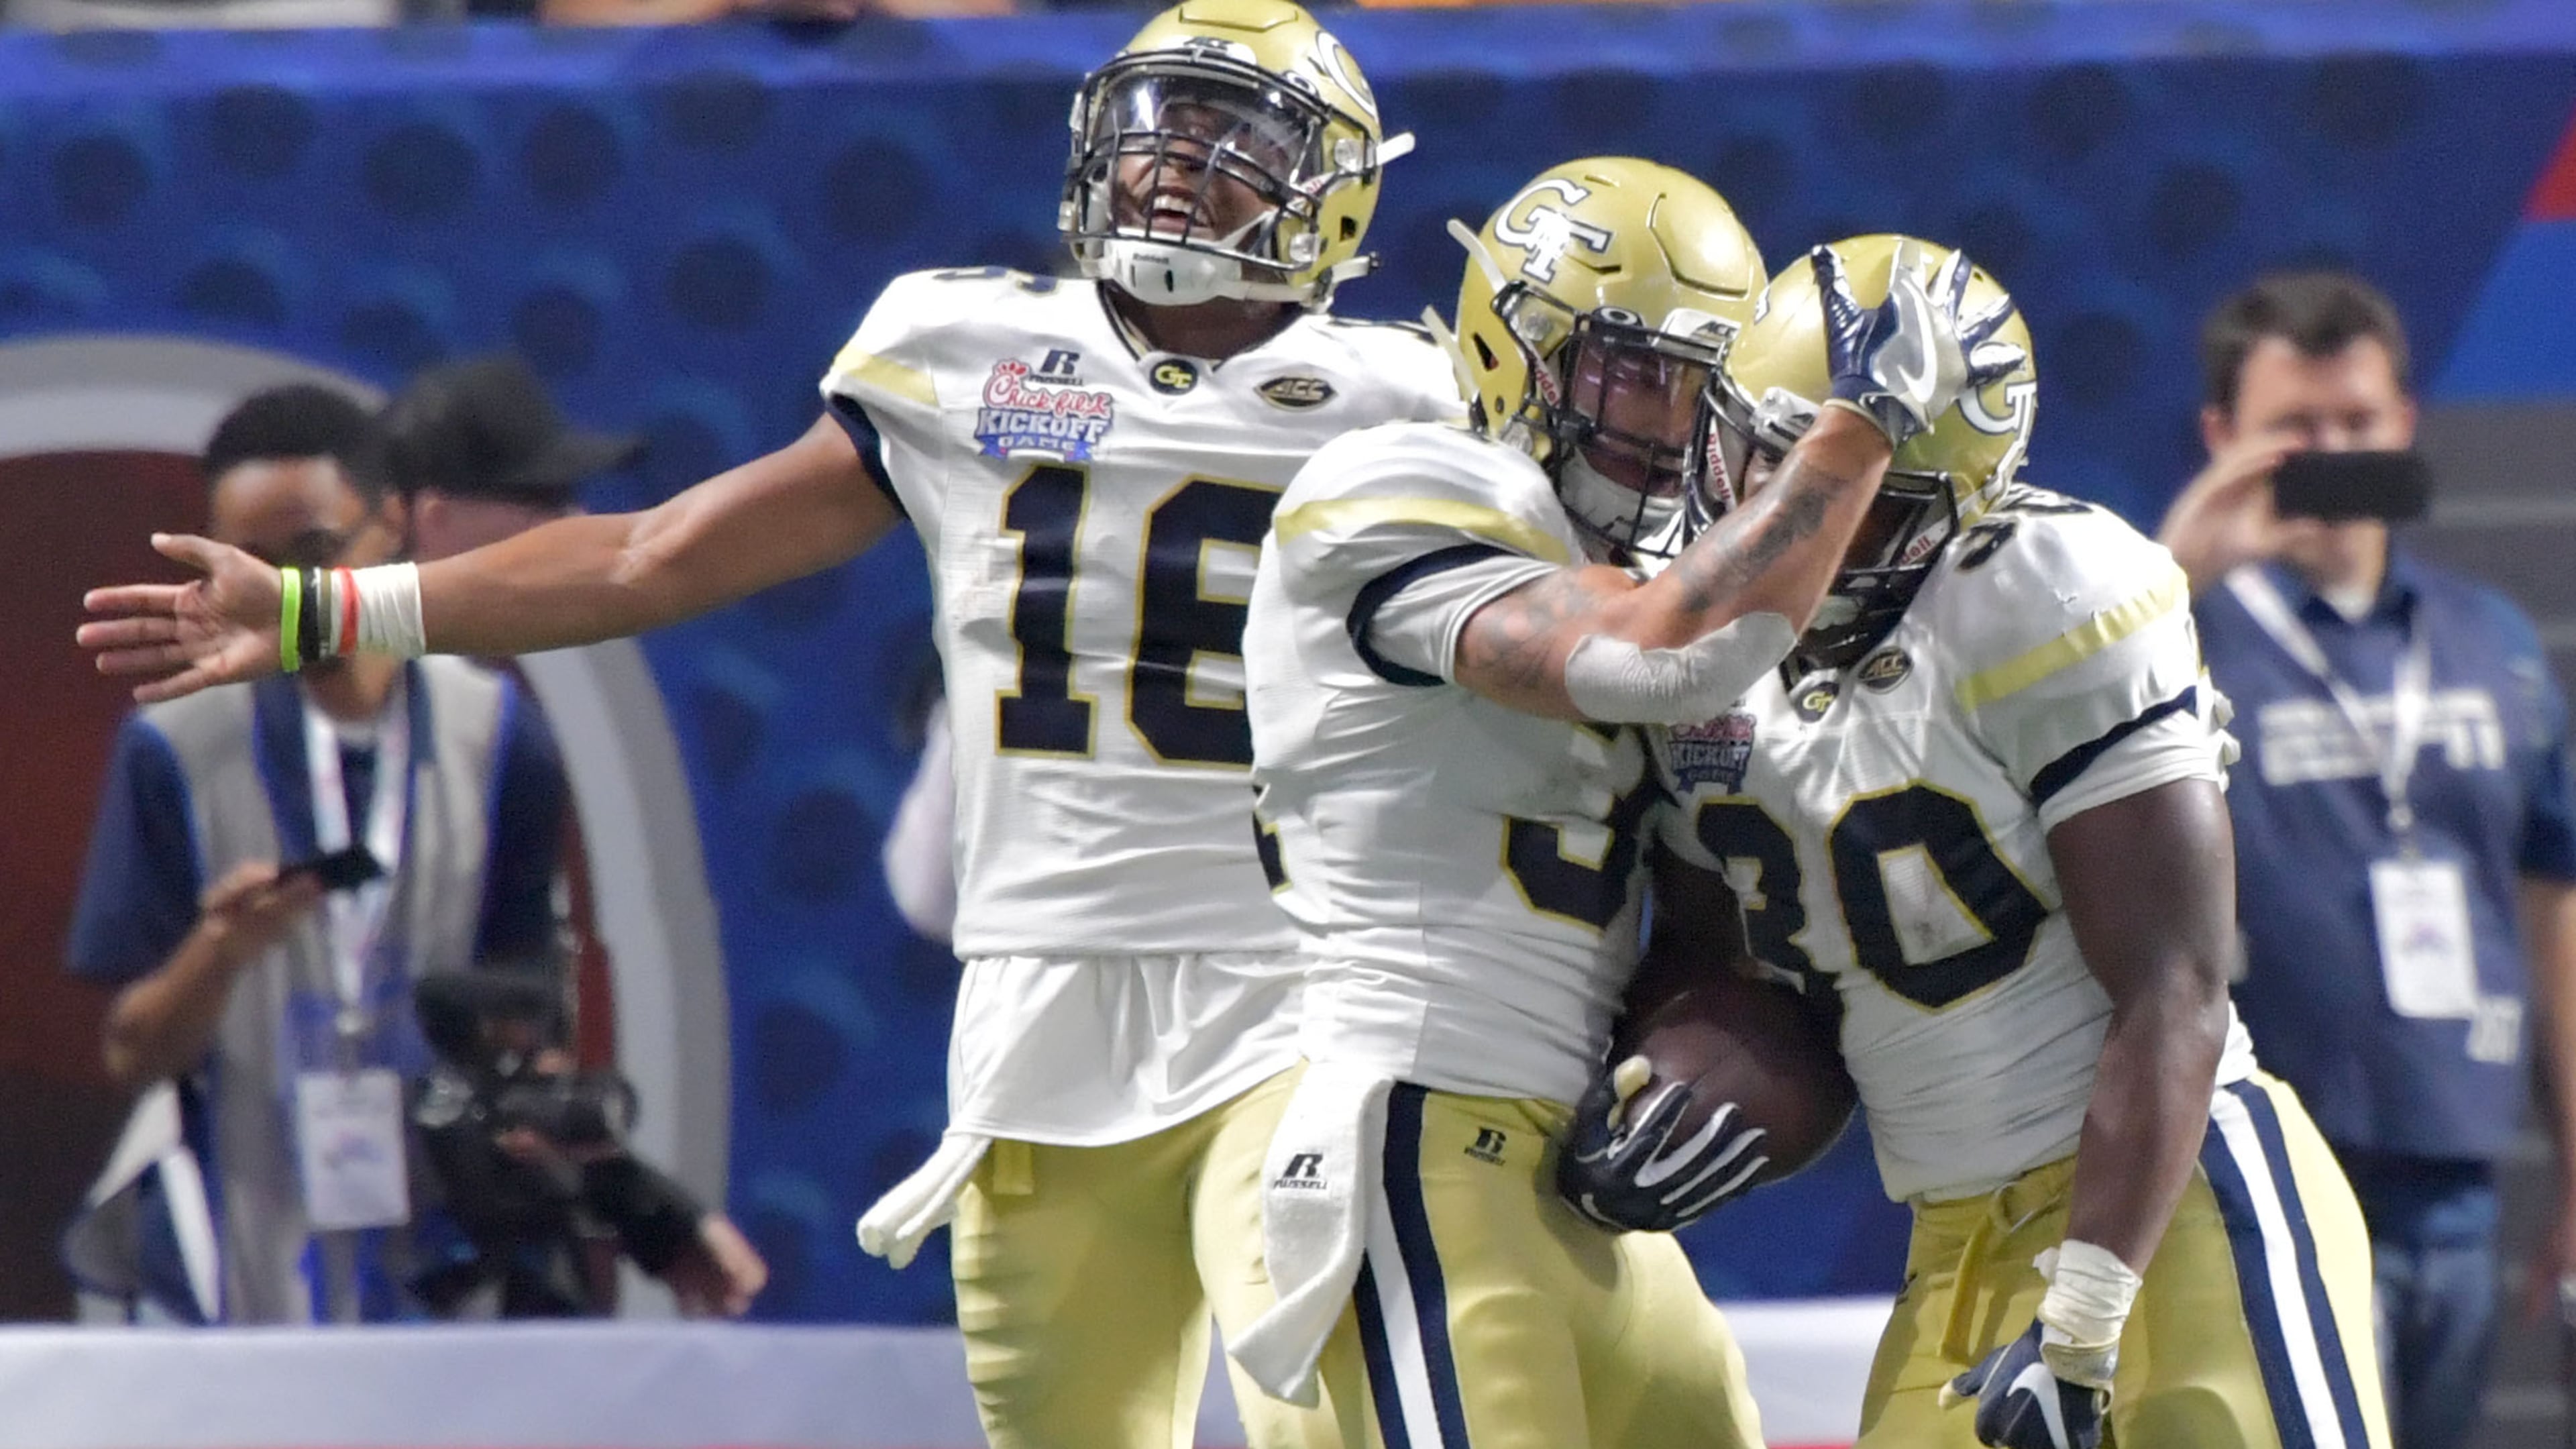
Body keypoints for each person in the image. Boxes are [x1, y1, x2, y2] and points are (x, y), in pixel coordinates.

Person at [78, 3, 1450, 1442]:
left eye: (1231, 138)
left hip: (1306, 984)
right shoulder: (965, 345)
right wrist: (322, 612)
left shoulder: (1410, 399)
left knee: (1339, 1395)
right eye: (1160, 122)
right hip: (1045, 1002)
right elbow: (648, 553)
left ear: (1333, 183)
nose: (1176, 166)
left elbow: (1557, 659)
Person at [1563, 236, 2392, 1449]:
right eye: (1771, 464)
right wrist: (1690, 1067)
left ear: (1957, 506)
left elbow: (2176, 992)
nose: (1801, 522)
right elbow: (1726, 960)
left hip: (2171, 1212)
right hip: (1951, 1231)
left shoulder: (2044, 590)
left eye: (1863, 498)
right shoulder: (1676, 646)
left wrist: (2085, 1320)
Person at [1233, 159, 1983, 1447]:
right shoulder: (1402, 486)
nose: (1668, 420)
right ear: (1512, 339)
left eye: (1705, 388)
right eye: (1635, 369)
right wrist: (1856, 433)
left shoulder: (1684, 582)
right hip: (1409, 1116)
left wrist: (1743, 1053)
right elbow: (1649, 653)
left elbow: (1724, 936)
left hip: (1568, 1165)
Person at [2157, 270, 2576, 1449]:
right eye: (2297, 429)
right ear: (2223, 439)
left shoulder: (2489, 640)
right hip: (2254, 1175)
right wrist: (2171, 581)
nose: (2333, 451)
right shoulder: (2168, 638)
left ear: (2406, 425)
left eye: (2359, 424)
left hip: (2455, 1175)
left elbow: (2552, 904)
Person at [62, 384, 570, 1324]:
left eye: (310, 556)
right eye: (247, 567)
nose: (278, 598)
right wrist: (219, 953)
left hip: (436, 1259)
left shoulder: (497, 736)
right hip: (226, 1260)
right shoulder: (176, 745)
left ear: (391, 525)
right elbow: (132, 1049)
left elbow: (530, 1015)